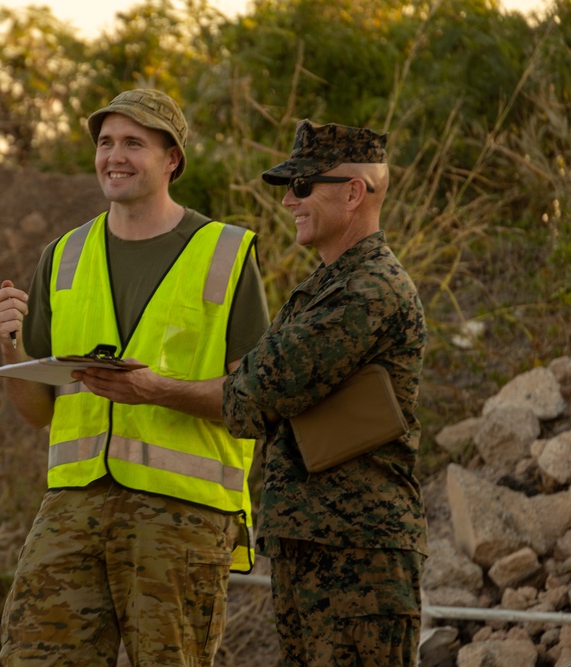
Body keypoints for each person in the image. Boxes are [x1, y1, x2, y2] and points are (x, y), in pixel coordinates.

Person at [0, 89, 270, 666]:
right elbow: (37, 412)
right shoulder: (63, 256)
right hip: (72, 506)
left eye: (134, 143)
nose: (114, 156)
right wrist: (8, 340)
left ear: (171, 160)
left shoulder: (226, 253)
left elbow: (255, 401)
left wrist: (156, 391)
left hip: (183, 515)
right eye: (106, 142)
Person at [220, 121, 428, 666]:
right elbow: (256, 383)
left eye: (303, 185)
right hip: (310, 547)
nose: (288, 199)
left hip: (360, 555)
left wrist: (242, 382)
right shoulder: (321, 289)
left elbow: (253, 395)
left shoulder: (369, 289)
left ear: (354, 192)